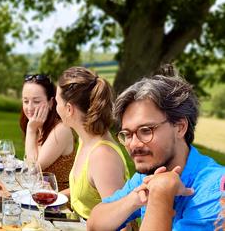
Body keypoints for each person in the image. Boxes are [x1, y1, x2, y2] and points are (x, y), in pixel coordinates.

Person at [87, 73, 225, 230]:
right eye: (127, 134)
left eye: (145, 131)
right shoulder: (147, 174)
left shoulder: (217, 190)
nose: (134, 144)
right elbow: (95, 223)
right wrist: (134, 199)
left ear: (180, 127)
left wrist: (161, 192)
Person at [56, 67, 129, 220]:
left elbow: (122, 224)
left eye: (57, 102)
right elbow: (88, 191)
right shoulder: (85, 140)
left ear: (69, 109)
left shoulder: (103, 157)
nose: (56, 108)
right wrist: (53, 196)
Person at [20, 74, 75, 191]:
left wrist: (30, 130)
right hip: (37, 193)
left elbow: (33, 169)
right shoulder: (38, 126)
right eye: (25, 101)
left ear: (51, 102)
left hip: (57, 201)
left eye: (36, 101)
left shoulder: (61, 129)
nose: (29, 107)